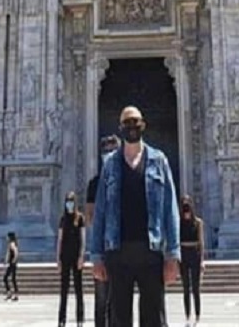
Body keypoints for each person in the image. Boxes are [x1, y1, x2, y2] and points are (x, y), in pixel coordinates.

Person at [90, 106, 180, 327]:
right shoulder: (110, 164)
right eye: (127, 123)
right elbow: (100, 211)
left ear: (143, 125)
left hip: (151, 251)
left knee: (154, 317)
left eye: (135, 122)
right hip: (118, 252)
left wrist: (173, 254)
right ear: (120, 127)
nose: (132, 127)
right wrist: (96, 256)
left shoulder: (159, 161)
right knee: (118, 318)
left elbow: (170, 209)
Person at [85, 135, 120, 327]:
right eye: (106, 150)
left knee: (121, 298)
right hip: (102, 247)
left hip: (123, 246)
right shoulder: (94, 183)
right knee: (101, 298)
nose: (109, 154)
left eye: (113, 150)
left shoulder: (126, 179)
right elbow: (89, 217)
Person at [56, 190, 86, 327]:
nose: (69, 204)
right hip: (65, 257)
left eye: (71, 201)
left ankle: (80, 318)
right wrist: (58, 259)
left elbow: (83, 239)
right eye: (68, 201)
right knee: (64, 289)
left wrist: (81, 256)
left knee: (78, 289)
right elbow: (60, 240)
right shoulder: (63, 219)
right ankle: (62, 319)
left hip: (76, 257)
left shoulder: (80, 218)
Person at [178, 195, 204, 325]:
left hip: (194, 253)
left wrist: (203, 260)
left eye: (188, 203)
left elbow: (201, 242)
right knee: (185, 287)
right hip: (183, 254)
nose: (186, 206)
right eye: (184, 204)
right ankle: (187, 315)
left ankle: (198, 314)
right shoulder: (178, 222)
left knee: (196, 287)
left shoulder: (198, 222)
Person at [2, 232, 19, 302]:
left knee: (7, 278)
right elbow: (8, 253)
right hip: (12, 263)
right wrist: (6, 261)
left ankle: (11, 293)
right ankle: (12, 293)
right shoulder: (10, 244)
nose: (6, 238)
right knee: (12, 279)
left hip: (12, 264)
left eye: (7, 237)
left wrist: (14, 260)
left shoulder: (12, 244)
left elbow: (16, 252)